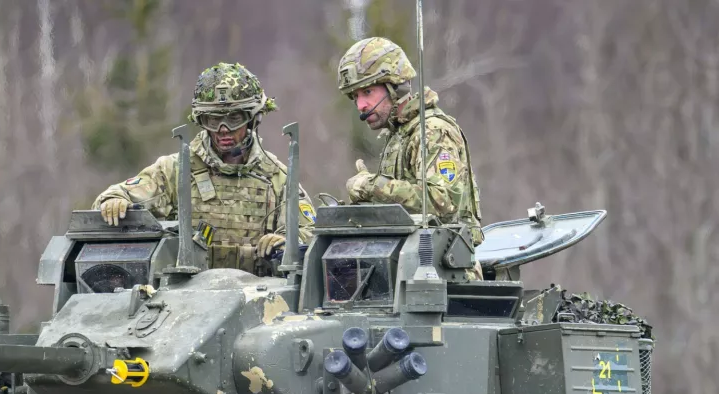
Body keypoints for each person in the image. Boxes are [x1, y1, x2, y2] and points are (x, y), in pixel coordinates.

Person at [94, 62, 316, 275]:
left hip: (257, 298)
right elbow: (121, 196)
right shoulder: (176, 170)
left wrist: (289, 242)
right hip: (186, 298)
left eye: (234, 119)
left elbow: (310, 234)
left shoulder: (277, 178)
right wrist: (113, 201)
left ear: (252, 119)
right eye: (213, 120)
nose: (223, 130)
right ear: (202, 120)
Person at [337, 37, 483, 247]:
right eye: (355, 96)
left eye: (367, 92)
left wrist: (373, 187)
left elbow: (442, 202)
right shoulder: (399, 134)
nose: (360, 105)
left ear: (395, 87)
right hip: (407, 262)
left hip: (445, 269)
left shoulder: (432, 131)